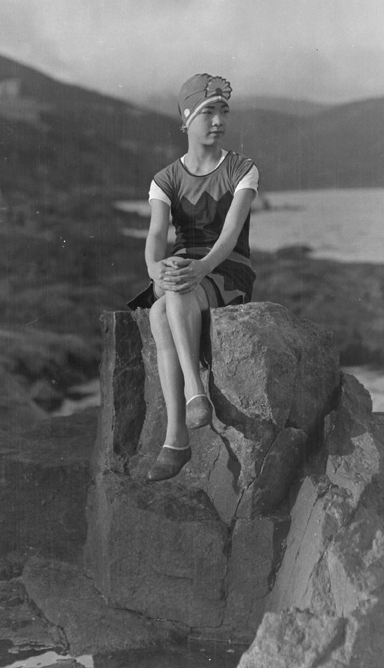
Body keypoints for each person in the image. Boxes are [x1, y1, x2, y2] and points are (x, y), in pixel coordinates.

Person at [128, 73, 259, 482]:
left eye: (223, 111)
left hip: (228, 265)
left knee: (169, 301)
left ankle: (179, 431)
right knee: (160, 306)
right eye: (208, 112)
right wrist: (154, 269)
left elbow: (230, 235)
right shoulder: (165, 179)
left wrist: (202, 267)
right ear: (187, 119)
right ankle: (190, 404)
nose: (218, 120)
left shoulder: (242, 169)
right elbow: (155, 237)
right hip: (185, 266)